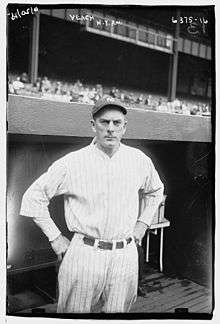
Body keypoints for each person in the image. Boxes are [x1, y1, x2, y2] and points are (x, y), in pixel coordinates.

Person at [20, 96, 164, 313]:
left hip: (124, 253)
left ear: (125, 127)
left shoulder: (138, 160)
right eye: (104, 122)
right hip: (85, 252)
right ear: (93, 125)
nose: (111, 129)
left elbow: (156, 191)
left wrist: (143, 223)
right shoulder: (72, 162)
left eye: (117, 123)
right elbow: (33, 197)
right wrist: (56, 238)